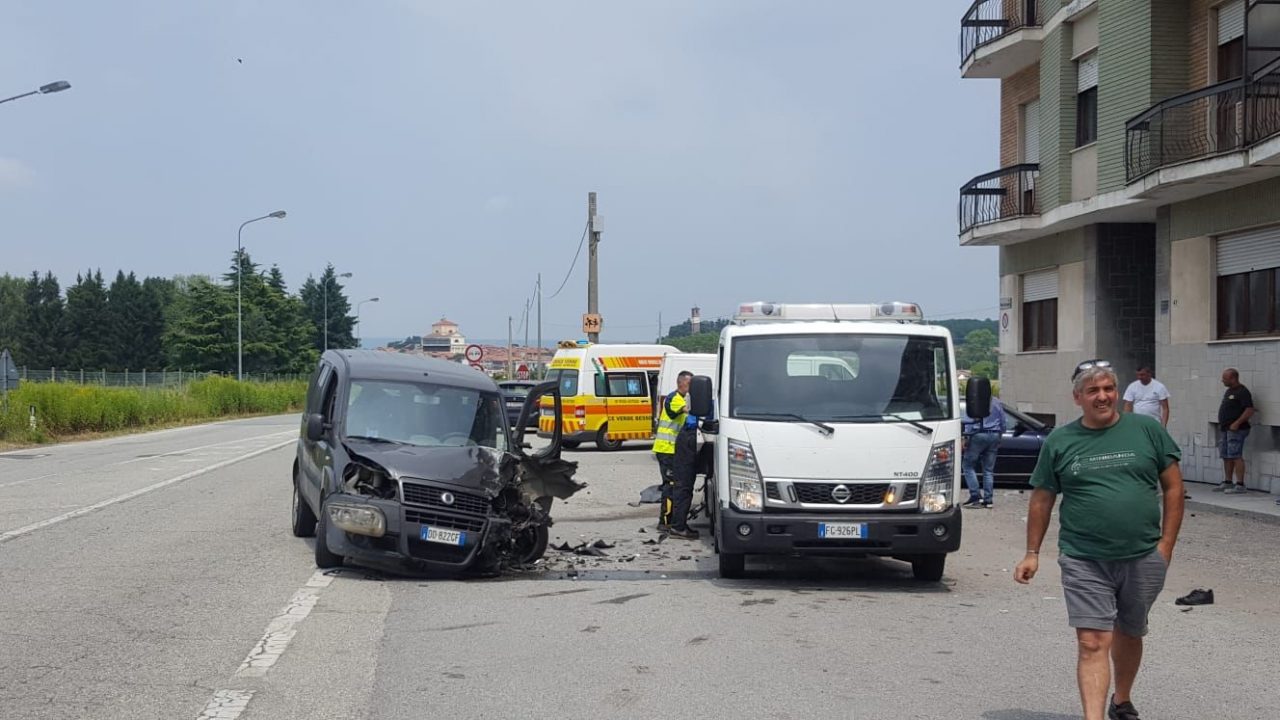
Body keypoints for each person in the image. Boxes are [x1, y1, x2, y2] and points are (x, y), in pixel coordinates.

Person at [1014, 359, 1184, 720]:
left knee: (1129, 630)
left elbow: (1173, 487)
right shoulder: (1060, 440)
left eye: (1108, 389)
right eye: (1093, 390)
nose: (1103, 396)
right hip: (1083, 556)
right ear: (1078, 398)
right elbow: (1042, 498)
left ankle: (1121, 699)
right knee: (1092, 641)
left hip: (1142, 554)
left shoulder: (1147, 431)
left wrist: (1166, 545)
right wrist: (1032, 552)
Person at [654, 371, 692, 533]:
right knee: (670, 486)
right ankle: (666, 521)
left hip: (671, 449)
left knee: (673, 485)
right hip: (667, 449)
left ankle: (670, 521)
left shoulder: (679, 398)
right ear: (681, 383)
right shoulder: (674, 398)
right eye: (690, 384)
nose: (691, 388)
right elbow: (687, 410)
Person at [1214, 368, 1255, 496]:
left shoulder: (1242, 392)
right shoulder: (1229, 391)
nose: (1222, 380)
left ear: (1233, 378)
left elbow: (1249, 410)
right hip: (1226, 429)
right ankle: (1228, 481)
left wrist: (1236, 423)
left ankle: (1240, 484)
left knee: (1236, 455)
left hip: (1237, 429)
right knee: (1226, 455)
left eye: (1225, 378)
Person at [961, 394, 1005, 508]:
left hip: (978, 434)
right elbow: (1003, 421)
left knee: (968, 465)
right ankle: (988, 500)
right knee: (988, 470)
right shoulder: (997, 402)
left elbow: (969, 420)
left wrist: (966, 438)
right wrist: (1000, 435)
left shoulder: (975, 401)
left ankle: (975, 496)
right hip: (994, 435)